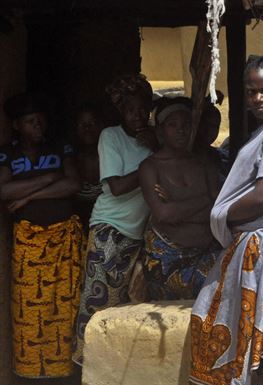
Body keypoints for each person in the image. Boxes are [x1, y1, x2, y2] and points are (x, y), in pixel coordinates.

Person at [190, 55, 263, 385]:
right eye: (251, 92)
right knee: (243, 330)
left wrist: (221, 213)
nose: (257, 99)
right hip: (258, 239)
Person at [73, 73, 157, 364]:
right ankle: (88, 368)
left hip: (140, 234)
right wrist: (152, 160)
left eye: (142, 109)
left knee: (127, 305)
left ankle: (115, 371)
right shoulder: (111, 136)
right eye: (130, 109)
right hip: (110, 230)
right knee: (97, 304)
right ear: (120, 111)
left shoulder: (154, 140)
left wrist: (157, 147)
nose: (137, 116)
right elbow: (117, 187)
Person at [1, 92, 83, 379]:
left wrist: (28, 195)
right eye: (29, 121)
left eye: (40, 120)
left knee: (65, 308)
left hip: (63, 241)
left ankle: (65, 374)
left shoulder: (61, 147)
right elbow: (4, 191)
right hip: (28, 244)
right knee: (28, 311)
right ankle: (31, 375)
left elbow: (72, 183)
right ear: (16, 126)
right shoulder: (6, 154)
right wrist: (49, 178)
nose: (37, 125)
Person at [138, 97, 219, 301]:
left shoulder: (204, 163)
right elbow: (164, 214)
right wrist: (205, 199)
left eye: (185, 125)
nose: (181, 130)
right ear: (160, 132)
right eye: (173, 125)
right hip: (167, 259)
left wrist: (178, 205)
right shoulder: (150, 167)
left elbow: (217, 207)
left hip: (206, 253)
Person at [73, 103, 105, 228]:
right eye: (82, 124)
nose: (87, 128)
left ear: (101, 126)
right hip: (78, 215)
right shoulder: (70, 157)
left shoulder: (112, 153)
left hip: (107, 216)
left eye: (92, 124)